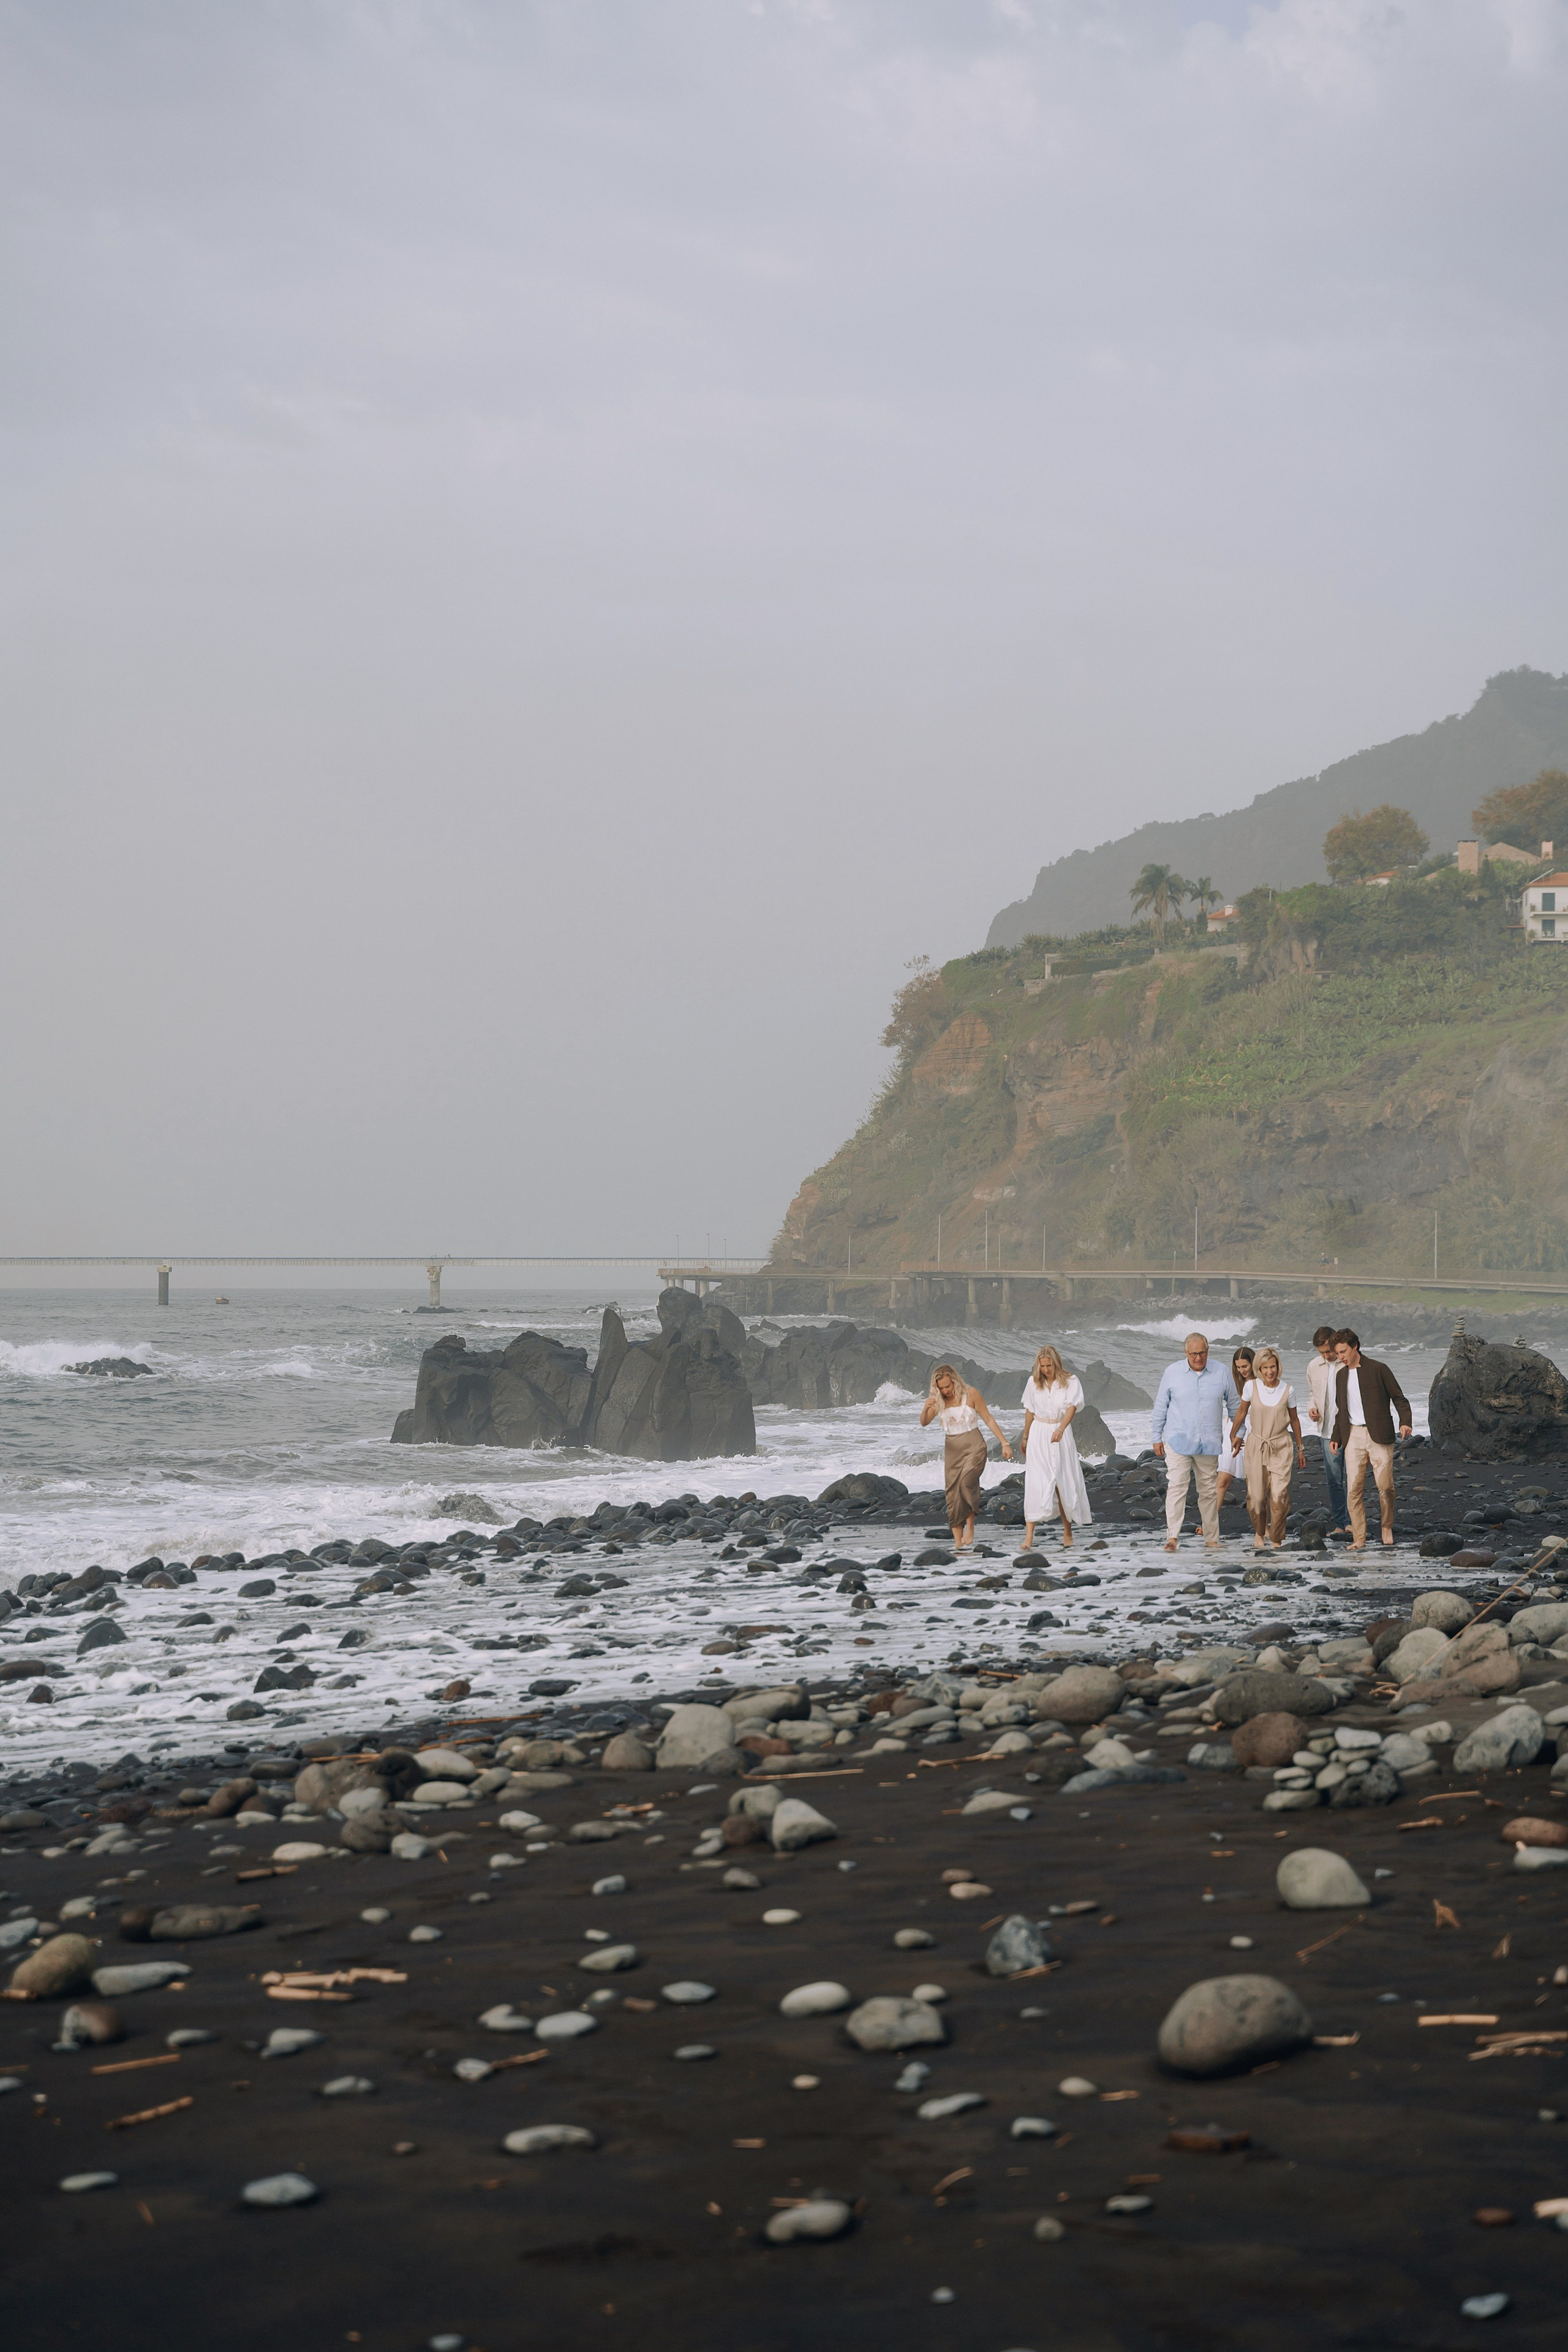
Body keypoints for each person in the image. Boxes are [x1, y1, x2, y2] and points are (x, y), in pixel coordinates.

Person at [1151, 1332, 1240, 1551]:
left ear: (1208, 1351)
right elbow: (1161, 1406)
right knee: (1177, 1487)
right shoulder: (1172, 1373)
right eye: (1193, 1354)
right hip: (1178, 1440)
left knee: (1209, 1491)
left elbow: (1235, 1405)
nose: (1198, 1358)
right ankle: (1172, 1537)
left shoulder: (1221, 1372)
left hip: (1209, 1442)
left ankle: (1211, 1538)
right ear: (1186, 1353)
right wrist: (1156, 1437)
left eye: (1202, 1353)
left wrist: (1239, 1433)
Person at [1328, 1329, 1412, 1552]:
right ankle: (1359, 1537)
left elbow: (1399, 1398)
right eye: (1338, 1353)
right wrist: (1336, 1436)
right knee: (1353, 1490)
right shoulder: (1341, 1375)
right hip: (1353, 1435)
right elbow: (1341, 1410)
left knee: (1385, 1486)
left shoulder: (1378, 1369)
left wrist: (1405, 1422)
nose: (1341, 1357)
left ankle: (1386, 1526)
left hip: (1379, 1435)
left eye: (1343, 1351)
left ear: (1355, 1346)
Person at [920, 1363, 1012, 1551]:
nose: (945, 1391)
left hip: (975, 1447)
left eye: (948, 1386)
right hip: (952, 1451)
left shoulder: (971, 1394)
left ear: (955, 1381)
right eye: (941, 1388)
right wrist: (925, 1408)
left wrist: (1004, 1443)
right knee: (952, 1493)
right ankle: (958, 1542)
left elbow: (988, 1419)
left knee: (966, 1484)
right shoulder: (939, 1400)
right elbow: (924, 1422)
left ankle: (970, 1526)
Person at [1228, 1344, 1306, 1548]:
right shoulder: (1251, 1387)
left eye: (1273, 1367)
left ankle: (1276, 1539)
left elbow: (1295, 1420)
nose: (1270, 1372)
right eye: (1265, 1368)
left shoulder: (1288, 1390)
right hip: (1256, 1445)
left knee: (1279, 1495)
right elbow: (1242, 1412)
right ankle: (1260, 1532)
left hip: (1281, 1446)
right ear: (1259, 1369)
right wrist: (1234, 1434)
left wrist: (1300, 1449)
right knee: (1256, 1498)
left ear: (1278, 1367)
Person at [1019, 1345, 1092, 1550]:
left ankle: (1068, 1531)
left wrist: (1061, 1428)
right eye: (1042, 1366)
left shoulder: (1071, 1381)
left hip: (1061, 1433)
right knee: (1036, 1482)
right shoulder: (1033, 1383)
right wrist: (1025, 1436)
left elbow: (1072, 1408)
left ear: (1056, 1363)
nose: (1046, 1370)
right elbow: (1029, 1410)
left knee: (1063, 1482)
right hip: (1039, 1433)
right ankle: (1029, 1536)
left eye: (1049, 1366)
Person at [1305, 1324, 1349, 1533]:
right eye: (1321, 1353)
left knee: (1353, 1480)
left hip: (1351, 1429)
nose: (1326, 1356)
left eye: (1328, 1351)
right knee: (1334, 1481)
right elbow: (1312, 1394)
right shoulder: (1314, 1366)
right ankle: (1340, 1524)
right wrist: (1311, 1408)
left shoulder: (1346, 1362)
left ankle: (1353, 1522)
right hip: (1326, 1431)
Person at [1215, 1346, 1255, 1510]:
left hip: (1253, 1431)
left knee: (1254, 1483)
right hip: (1233, 1430)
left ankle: (1262, 1524)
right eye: (1238, 1367)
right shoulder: (1234, 1383)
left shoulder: (1260, 1384)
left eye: (1245, 1366)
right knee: (1223, 1479)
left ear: (1253, 1364)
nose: (1241, 1371)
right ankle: (1209, 1521)